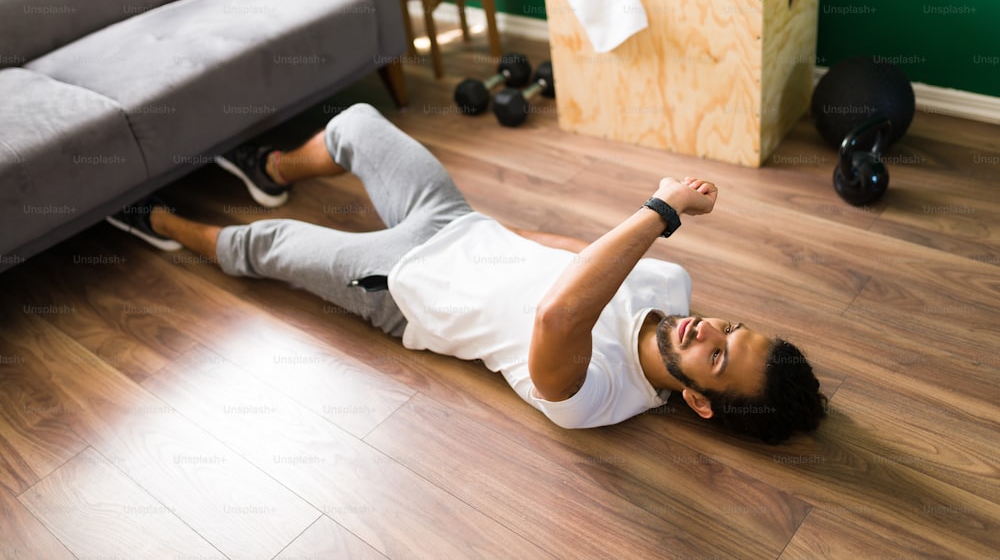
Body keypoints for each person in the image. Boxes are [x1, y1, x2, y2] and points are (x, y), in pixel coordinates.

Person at [107, 103, 827, 443]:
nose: (711, 329)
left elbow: (557, 314)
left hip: (400, 285)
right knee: (357, 122)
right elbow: (570, 249)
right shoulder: (670, 289)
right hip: (458, 224)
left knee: (266, 246)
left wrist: (661, 210)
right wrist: (495, 228)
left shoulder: (600, 397)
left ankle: (158, 220)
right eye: (733, 327)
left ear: (700, 401)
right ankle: (275, 166)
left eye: (719, 354)